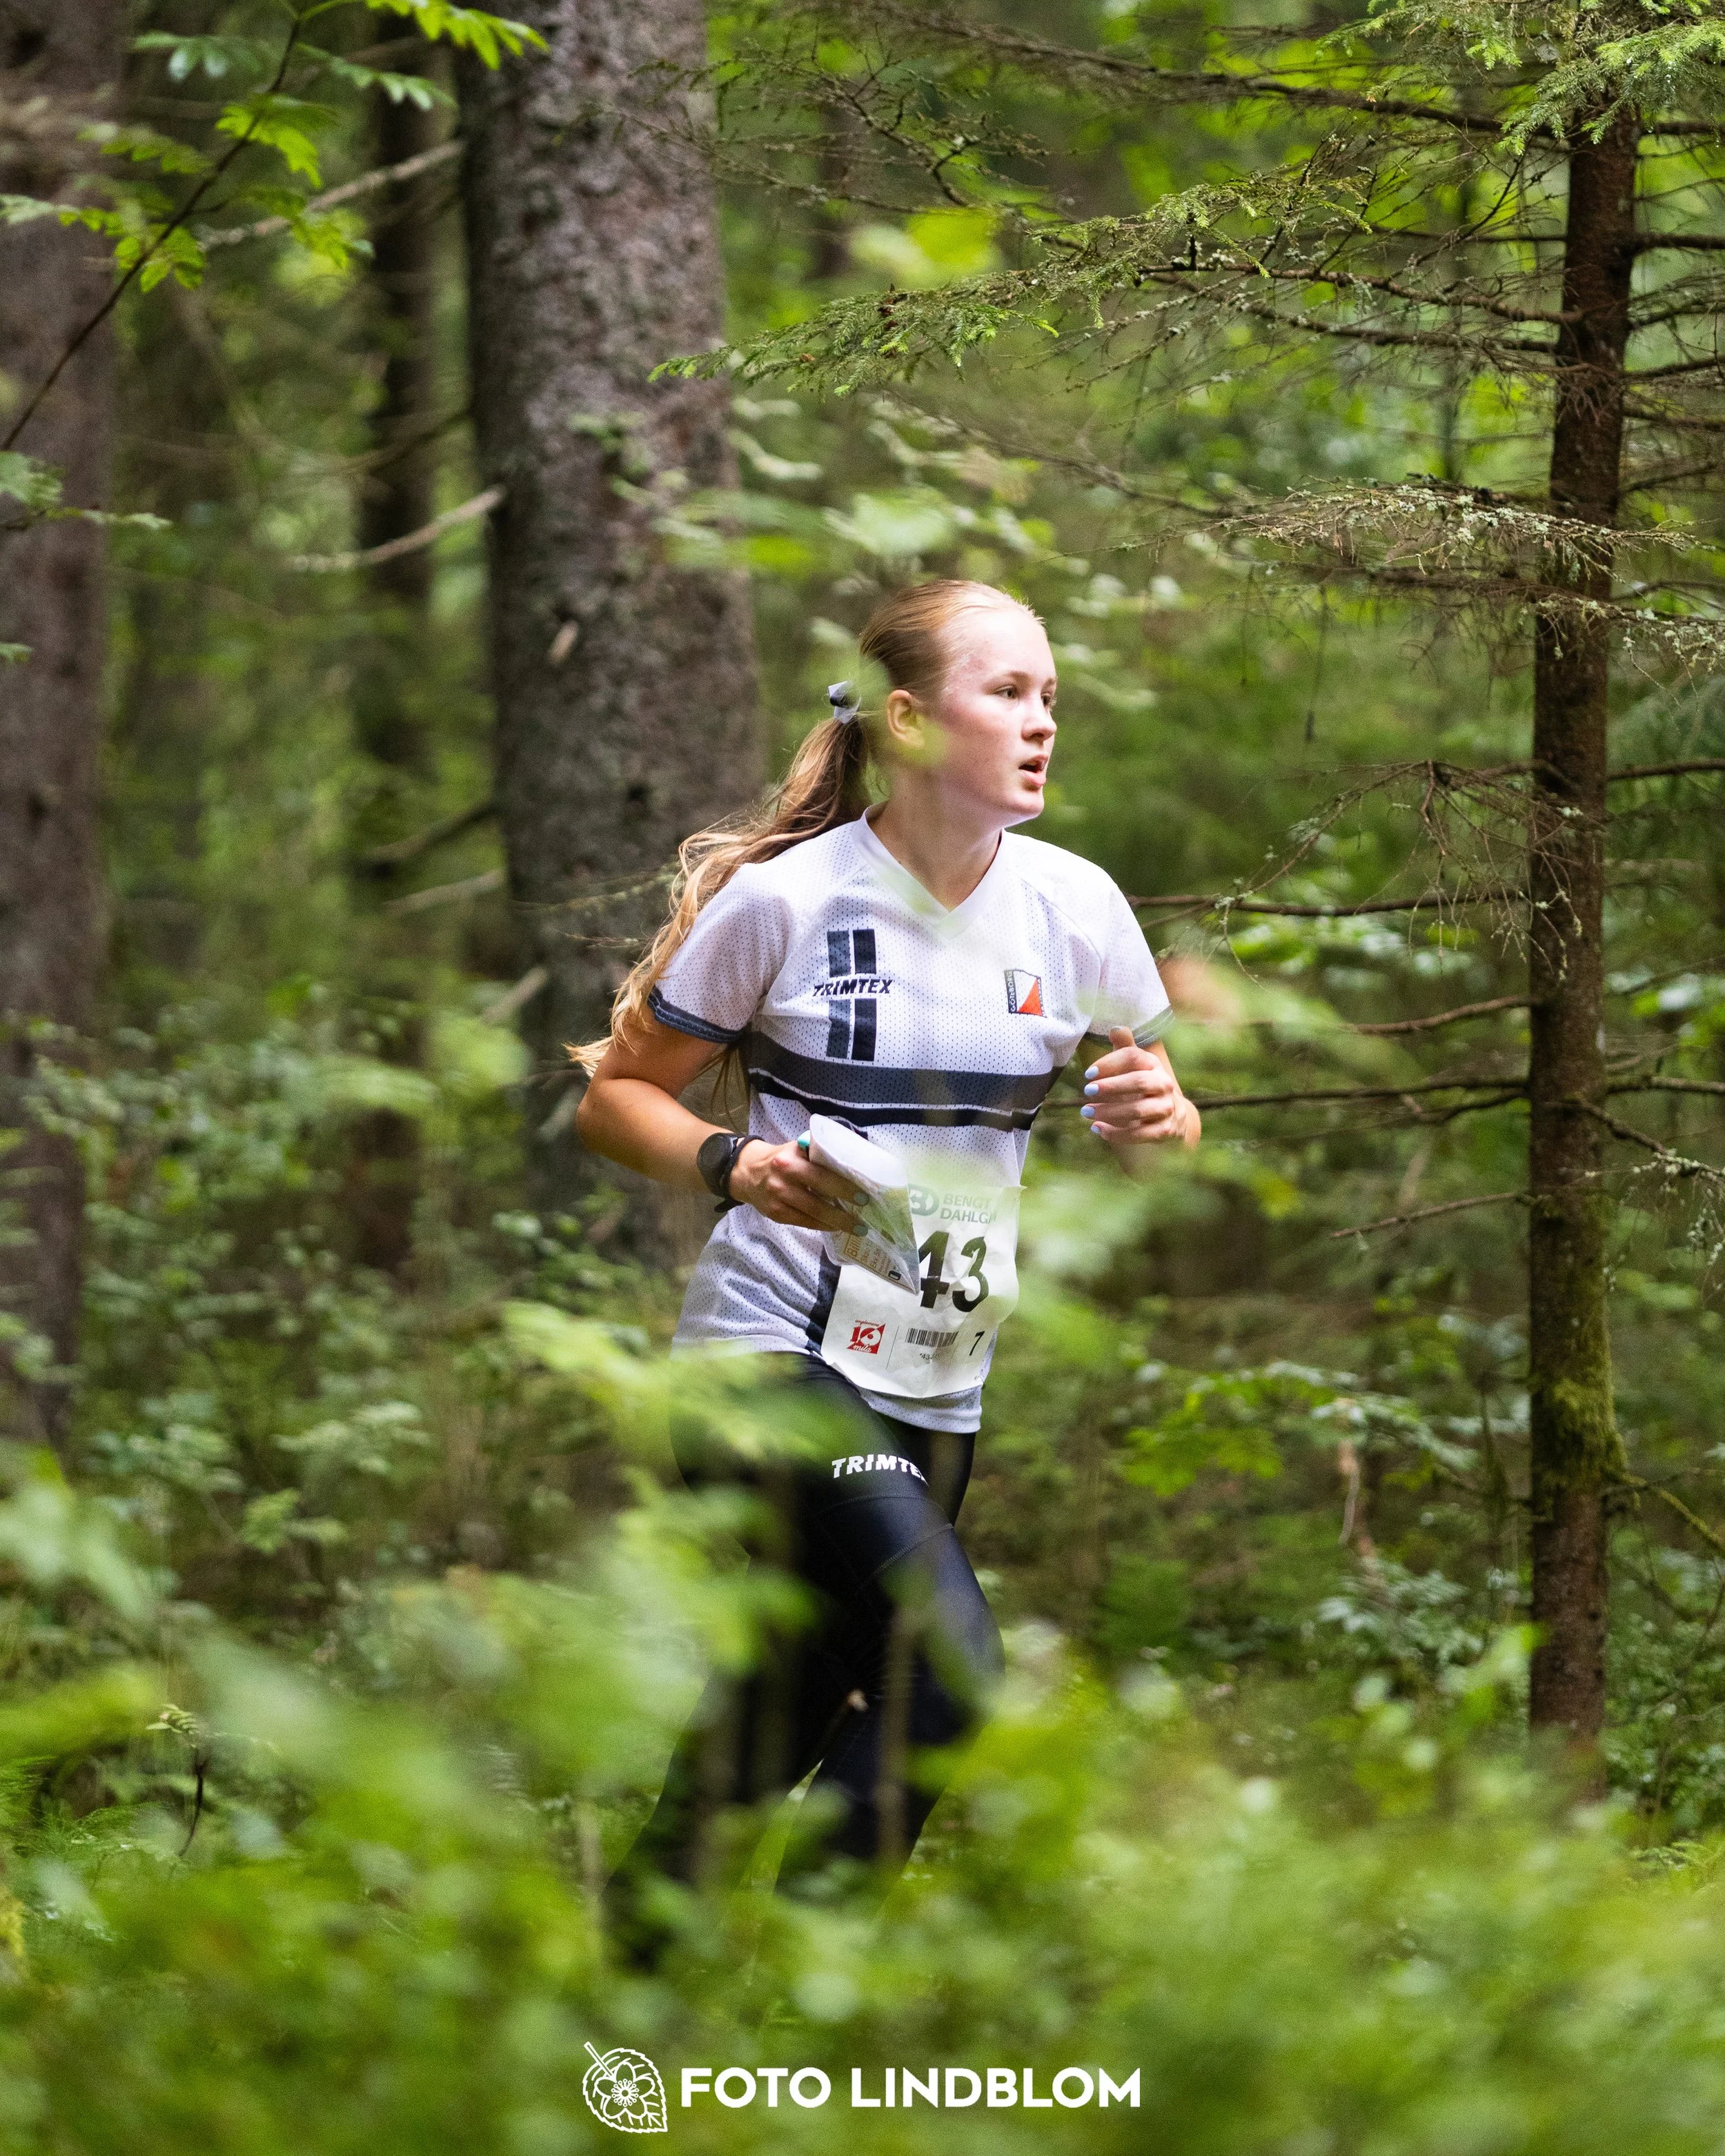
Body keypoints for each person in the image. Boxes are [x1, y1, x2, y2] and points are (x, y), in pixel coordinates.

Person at [575, 577, 1199, 1955]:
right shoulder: (786, 902)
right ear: (907, 721)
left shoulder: (1075, 908)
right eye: (1008, 692)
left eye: (1050, 696)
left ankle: (626, 1985)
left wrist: (1158, 1118)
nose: (1041, 722)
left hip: (931, 1378)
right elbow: (613, 1098)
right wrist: (730, 1163)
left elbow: (1163, 1114)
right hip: (766, 1356)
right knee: (949, 1679)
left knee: (793, 1703)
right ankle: (799, 1990)